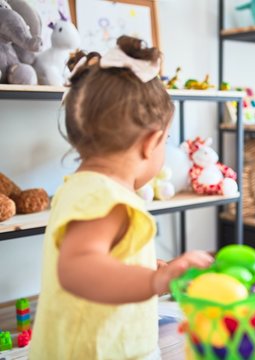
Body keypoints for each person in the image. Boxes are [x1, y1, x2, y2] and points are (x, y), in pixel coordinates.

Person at [30, 36, 213, 359]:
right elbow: (78, 269)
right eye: (166, 140)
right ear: (150, 142)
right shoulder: (106, 198)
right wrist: (158, 279)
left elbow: (102, 258)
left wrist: (141, 265)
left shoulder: (82, 187)